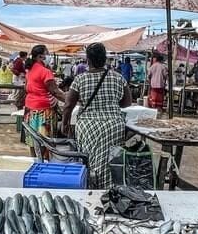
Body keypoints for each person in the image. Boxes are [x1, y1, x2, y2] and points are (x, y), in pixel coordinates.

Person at [61, 43, 132, 189]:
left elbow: (68, 105)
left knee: (89, 159)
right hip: (113, 126)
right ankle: (109, 190)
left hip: (87, 126)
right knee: (110, 161)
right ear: (105, 58)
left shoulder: (80, 79)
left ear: (88, 60)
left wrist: (65, 123)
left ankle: (90, 186)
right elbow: (126, 103)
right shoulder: (118, 78)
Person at [24, 44, 66, 148]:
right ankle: (45, 163)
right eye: (47, 53)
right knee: (46, 144)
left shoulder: (30, 70)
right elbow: (55, 92)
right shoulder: (45, 72)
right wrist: (70, 100)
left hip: (30, 110)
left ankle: (35, 161)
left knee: (33, 142)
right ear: (40, 56)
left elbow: (26, 88)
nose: (49, 56)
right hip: (44, 112)